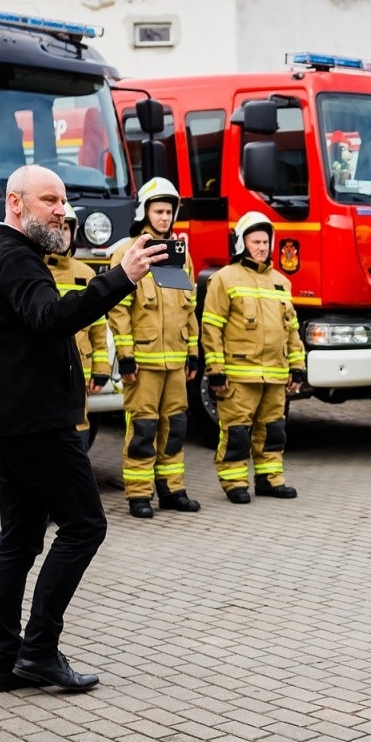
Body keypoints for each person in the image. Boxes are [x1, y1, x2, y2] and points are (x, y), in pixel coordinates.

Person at [0, 164, 168, 694]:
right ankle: (38, 651)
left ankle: (6, 663)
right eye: (49, 199)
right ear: (15, 202)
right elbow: (53, 318)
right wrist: (122, 275)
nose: (62, 210)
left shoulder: (8, 255)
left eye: (63, 200)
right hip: (35, 426)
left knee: (21, 539)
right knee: (84, 526)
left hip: (12, 423)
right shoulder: (13, 257)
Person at [108, 177, 201, 516]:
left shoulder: (181, 255)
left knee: (175, 427)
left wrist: (193, 352)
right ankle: (139, 494)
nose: (164, 217)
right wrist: (126, 357)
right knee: (143, 428)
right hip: (143, 363)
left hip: (176, 362)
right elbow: (119, 310)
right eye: (158, 210)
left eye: (169, 211)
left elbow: (188, 308)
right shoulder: (127, 253)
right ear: (144, 211)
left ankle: (172, 491)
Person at [201, 212, 306, 503]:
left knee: (274, 430)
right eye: (255, 241)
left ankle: (270, 479)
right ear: (242, 243)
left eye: (265, 241)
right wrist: (216, 370)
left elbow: (292, 330)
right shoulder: (223, 279)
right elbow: (211, 327)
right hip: (239, 374)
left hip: (274, 373)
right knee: (237, 432)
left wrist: (297, 367)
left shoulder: (281, 282)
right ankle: (234, 482)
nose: (261, 246)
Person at [49, 205, 112, 446]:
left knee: (79, 429)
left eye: (67, 229)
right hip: (44, 372)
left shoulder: (86, 273)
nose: (63, 234)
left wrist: (101, 368)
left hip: (80, 371)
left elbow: (98, 326)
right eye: (58, 228)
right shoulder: (33, 269)